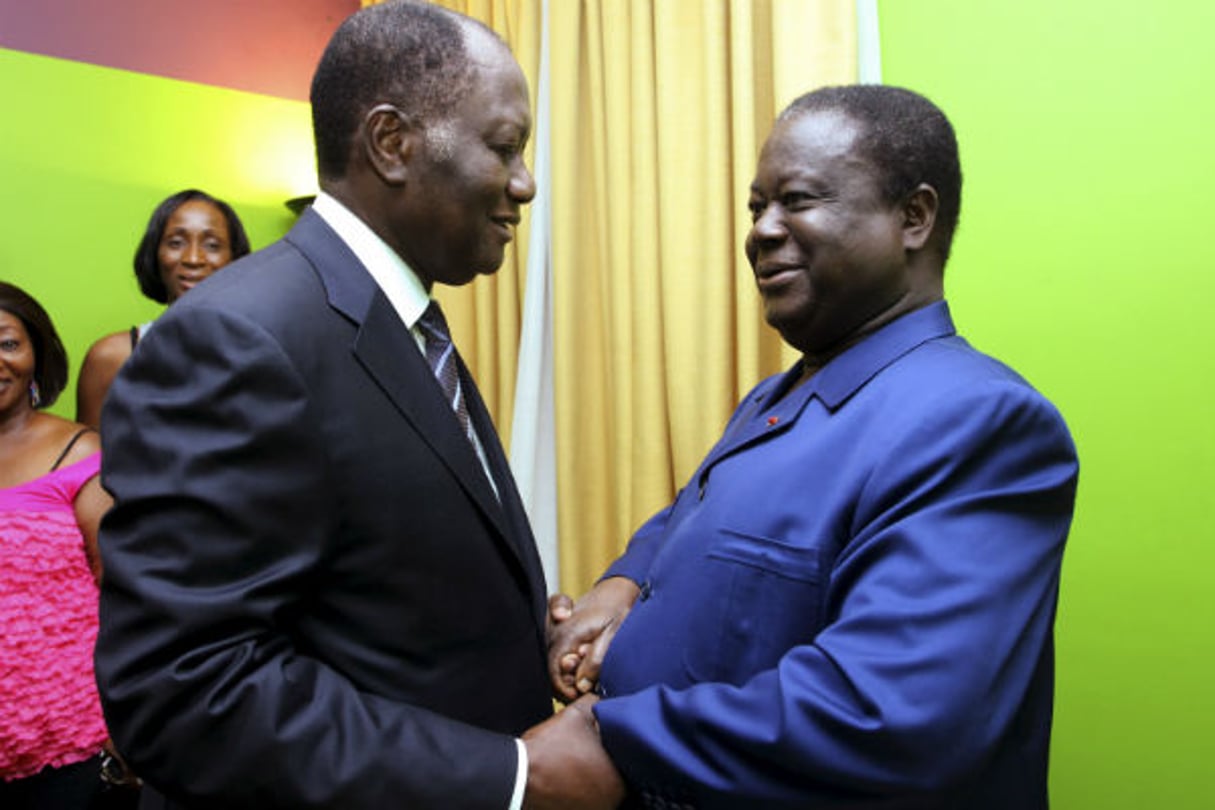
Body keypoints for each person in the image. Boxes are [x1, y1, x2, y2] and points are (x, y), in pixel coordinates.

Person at [537, 85, 1079, 809]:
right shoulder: (773, 396)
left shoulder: (976, 422)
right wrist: (624, 583)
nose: (761, 230)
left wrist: (611, 734)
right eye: (755, 206)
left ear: (912, 217)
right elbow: (695, 520)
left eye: (795, 199)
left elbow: (889, 716)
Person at [93, 3, 572, 808]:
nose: (523, 182)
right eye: (504, 147)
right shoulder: (236, 338)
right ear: (392, 144)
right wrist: (513, 778)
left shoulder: (401, 317)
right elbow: (187, 690)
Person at [0, 281, 133, 808]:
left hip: (73, 750)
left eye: (8, 342)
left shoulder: (80, 453)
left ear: (37, 355)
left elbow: (126, 594)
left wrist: (128, 730)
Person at [75, 188, 250, 429]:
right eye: (176, 242)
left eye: (212, 245)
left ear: (235, 259)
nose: (193, 258)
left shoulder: (260, 353)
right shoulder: (112, 358)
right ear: (155, 254)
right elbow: (91, 463)